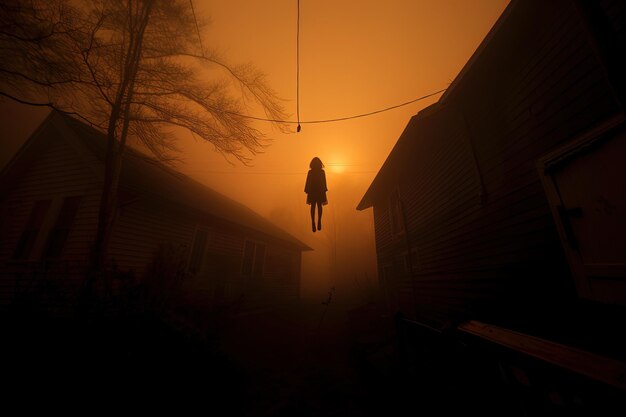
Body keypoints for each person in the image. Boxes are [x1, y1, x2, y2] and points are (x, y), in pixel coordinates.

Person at [304, 157, 327, 232]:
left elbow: (308, 181)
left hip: (313, 191)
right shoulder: (321, 172)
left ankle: (314, 222)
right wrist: (324, 189)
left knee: (314, 206)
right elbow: (324, 181)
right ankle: (317, 221)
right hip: (318, 190)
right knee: (319, 206)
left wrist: (307, 189)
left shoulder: (312, 172)